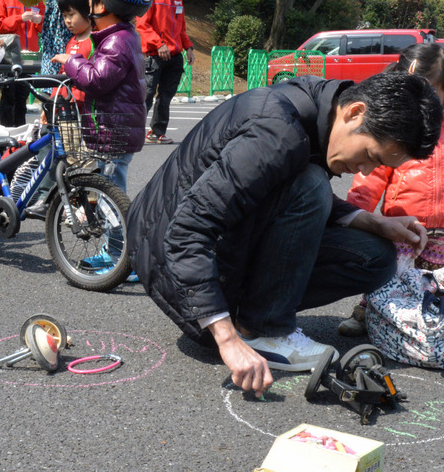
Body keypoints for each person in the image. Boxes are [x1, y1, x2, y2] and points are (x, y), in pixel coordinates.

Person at [126, 72, 442, 397]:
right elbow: (188, 229)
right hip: (169, 262)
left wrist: (376, 223)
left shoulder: (319, 108)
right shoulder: (275, 132)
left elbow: (275, 190)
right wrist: (226, 339)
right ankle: (265, 329)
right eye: (370, 156)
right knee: (313, 184)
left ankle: (255, 315)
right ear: (355, 112)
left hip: (207, 242)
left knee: (375, 258)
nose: (362, 171)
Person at [52, 0, 152, 273]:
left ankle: (127, 261)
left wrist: (71, 62)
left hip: (114, 131)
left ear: (102, 5)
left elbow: (96, 79)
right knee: (112, 196)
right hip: (115, 129)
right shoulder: (121, 35)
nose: (88, 3)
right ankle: (116, 253)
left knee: (111, 201)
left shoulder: (116, 41)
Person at [339, 43, 444, 336]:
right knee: (391, 277)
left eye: (434, 94)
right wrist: (356, 210)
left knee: (435, 285)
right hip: (402, 227)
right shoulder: (398, 130)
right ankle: (368, 311)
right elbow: (371, 175)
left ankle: (427, 326)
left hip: (442, 234)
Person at [24, 0, 95, 221]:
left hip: (80, 111)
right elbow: (63, 80)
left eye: (72, 14)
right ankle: (50, 199)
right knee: (51, 152)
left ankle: (80, 205)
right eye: (64, 15)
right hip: (62, 108)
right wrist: (50, 105)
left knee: (76, 161)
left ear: (88, 12)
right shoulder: (72, 41)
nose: (67, 20)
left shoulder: (92, 41)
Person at [137, 0, 195, 145]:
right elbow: (142, 25)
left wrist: (189, 48)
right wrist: (158, 44)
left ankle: (156, 132)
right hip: (155, 55)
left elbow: (182, 28)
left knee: (166, 96)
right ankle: (135, 132)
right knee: (146, 94)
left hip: (175, 56)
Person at [0, 0, 45, 127]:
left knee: (23, 95)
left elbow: (45, 25)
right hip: (8, 55)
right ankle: (6, 131)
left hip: (29, 56)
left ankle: (21, 131)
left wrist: (40, 19)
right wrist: (19, 19)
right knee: (8, 95)